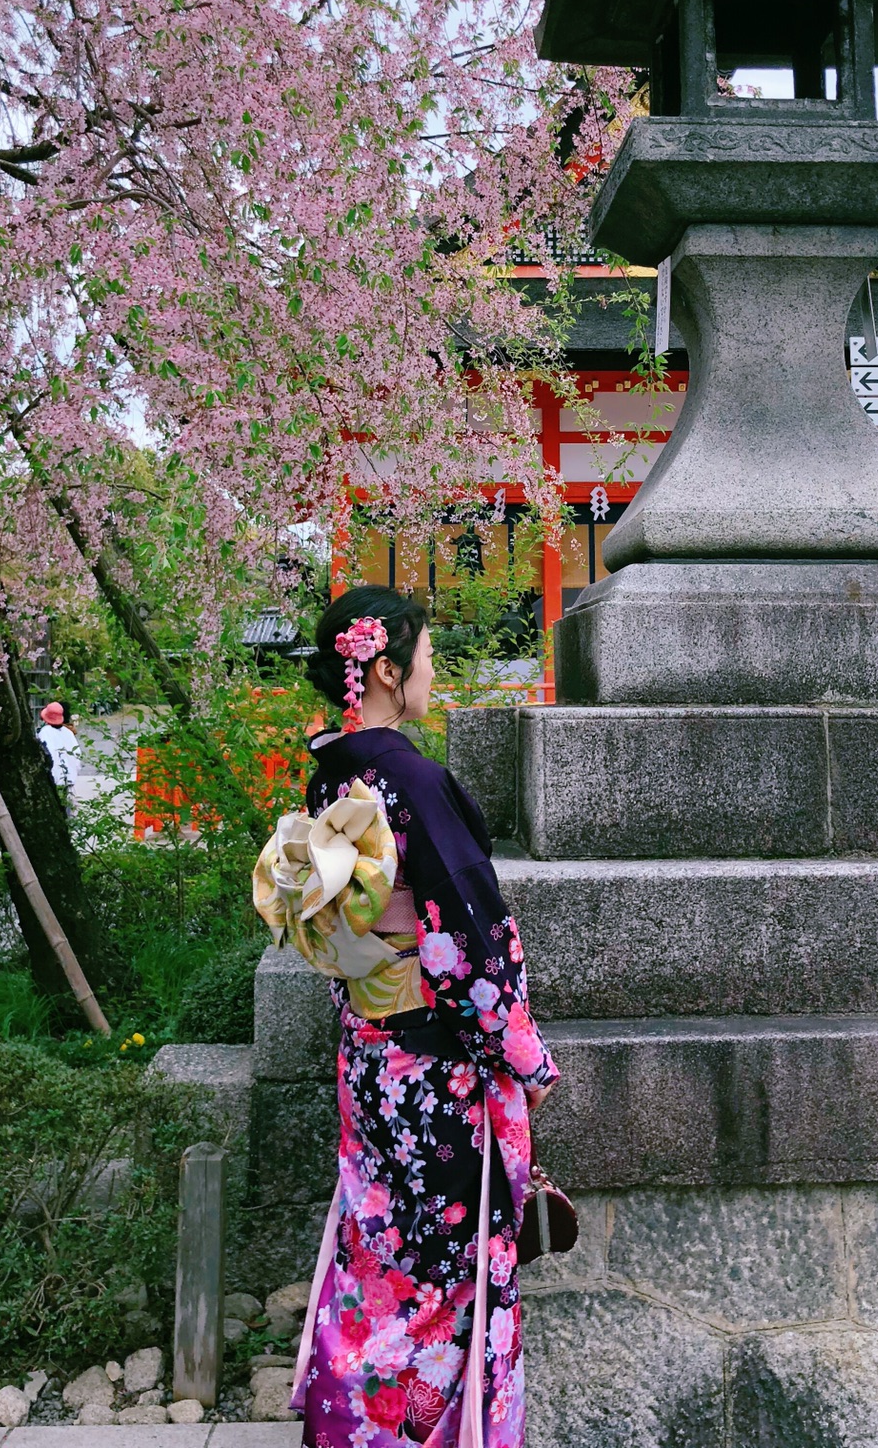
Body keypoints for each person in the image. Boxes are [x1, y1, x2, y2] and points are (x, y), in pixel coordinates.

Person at [253, 587, 558, 1448]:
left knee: (379, 1250)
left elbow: (341, 919)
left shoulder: (336, 771)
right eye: (422, 656)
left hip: (372, 1051)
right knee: (444, 1270)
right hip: (438, 1066)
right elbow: (467, 938)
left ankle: (352, 1421)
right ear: (386, 669)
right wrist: (525, 1058)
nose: (430, 671)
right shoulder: (413, 780)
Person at [36, 701, 81, 799]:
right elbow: (77, 756)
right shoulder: (69, 733)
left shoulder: (44, 733)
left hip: (53, 781)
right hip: (69, 780)